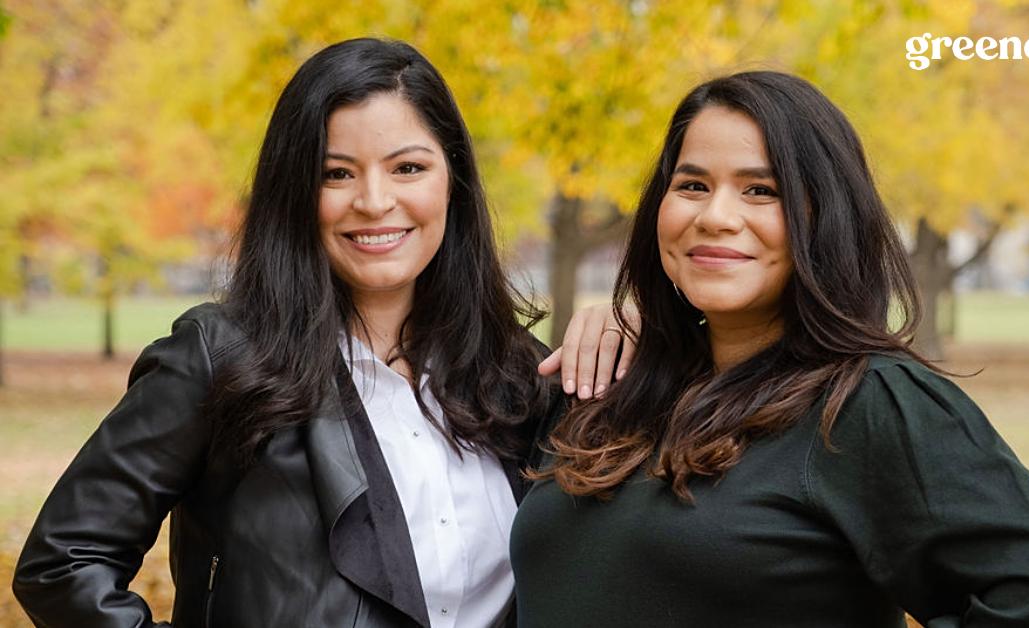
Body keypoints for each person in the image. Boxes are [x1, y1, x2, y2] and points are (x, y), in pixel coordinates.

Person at [12, 38, 627, 628]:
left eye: (408, 167)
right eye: (336, 174)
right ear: (294, 192)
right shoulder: (220, 358)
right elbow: (62, 563)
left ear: (453, 182)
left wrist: (641, 320)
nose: (374, 200)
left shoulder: (522, 377)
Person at [511, 71, 1029, 627]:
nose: (716, 216)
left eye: (761, 191)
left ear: (826, 219)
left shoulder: (866, 402)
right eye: (693, 184)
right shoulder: (610, 388)